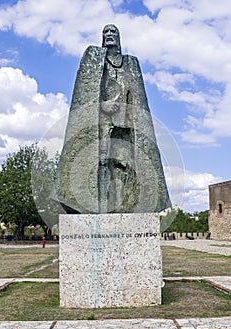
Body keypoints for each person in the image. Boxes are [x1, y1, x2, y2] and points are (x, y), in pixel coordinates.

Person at [52, 24, 171, 214]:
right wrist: (102, 106)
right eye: (105, 32)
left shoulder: (131, 63)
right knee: (101, 164)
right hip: (102, 124)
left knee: (125, 165)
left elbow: (136, 97)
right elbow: (86, 97)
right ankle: (99, 208)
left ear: (119, 37)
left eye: (112, 32)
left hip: (126, 124)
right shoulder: (94, 61)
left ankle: (124, 207)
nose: (109, 35)